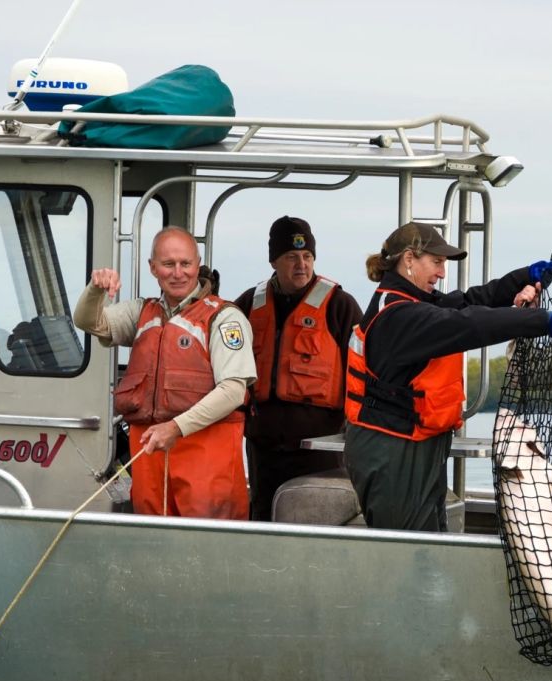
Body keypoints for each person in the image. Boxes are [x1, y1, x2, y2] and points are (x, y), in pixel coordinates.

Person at [344, 222, 552, 531]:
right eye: (437, 262)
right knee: (407, 554)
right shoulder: (399, 316)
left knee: (429, 547)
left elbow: (465, 303)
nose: (442, 272)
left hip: (411, 443)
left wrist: (520, 279)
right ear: (409, 260)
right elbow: (466, 323)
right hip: (393, 454)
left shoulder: (411, 303)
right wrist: (542, 321)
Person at [75, 226, 255, 519]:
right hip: (151, 467)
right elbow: (87, 321)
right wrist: (96, 289)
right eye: (168, 264)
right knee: (151, 547)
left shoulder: (224, 318)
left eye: (185, 264)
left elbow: (234, 390)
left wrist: (175, 427)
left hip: (207, 467)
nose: (178, 273)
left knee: (208, 548)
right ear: (153, 268)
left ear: (198, 265)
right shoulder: (141, 313)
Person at [233, 216, 363, 521]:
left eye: (307, 257)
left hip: (322, 450)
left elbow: (366, 373)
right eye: (291, 257)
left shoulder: (340, 306)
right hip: (263, 449)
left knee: (318, 520)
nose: (301, 265)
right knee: (263, 520)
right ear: (274, 261)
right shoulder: (247, 305)